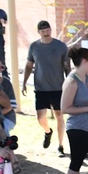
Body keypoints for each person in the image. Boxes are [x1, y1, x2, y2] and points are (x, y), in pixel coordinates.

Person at [22, 20, 70, 156]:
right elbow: (29, 65)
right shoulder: (34, 47)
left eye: (48, 30)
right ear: (39, 32)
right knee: (40, 117)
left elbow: (67, 66)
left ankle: (60, 145)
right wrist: (25, 82)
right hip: (41, 87)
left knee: (59, 116)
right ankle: (48, 131)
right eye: (43, 31)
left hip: (58, 87)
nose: (46, 33)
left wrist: (69, 83)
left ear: (51, 30)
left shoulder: (61, 46)